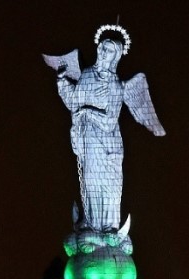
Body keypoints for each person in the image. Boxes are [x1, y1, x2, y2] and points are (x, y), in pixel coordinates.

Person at [44, 24, 165, 235]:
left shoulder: (116, 85)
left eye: (108, 50)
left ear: (115, 56)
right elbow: (74, 102)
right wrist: (62, 81)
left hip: (108, 143)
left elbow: (109, 122)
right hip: (90, 140)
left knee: (108, 186)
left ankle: (109, 227)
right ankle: (91, 222)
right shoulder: (87, 75)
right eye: (101, 47)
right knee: (91, 181)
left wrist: (86, 113)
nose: (102, 52)